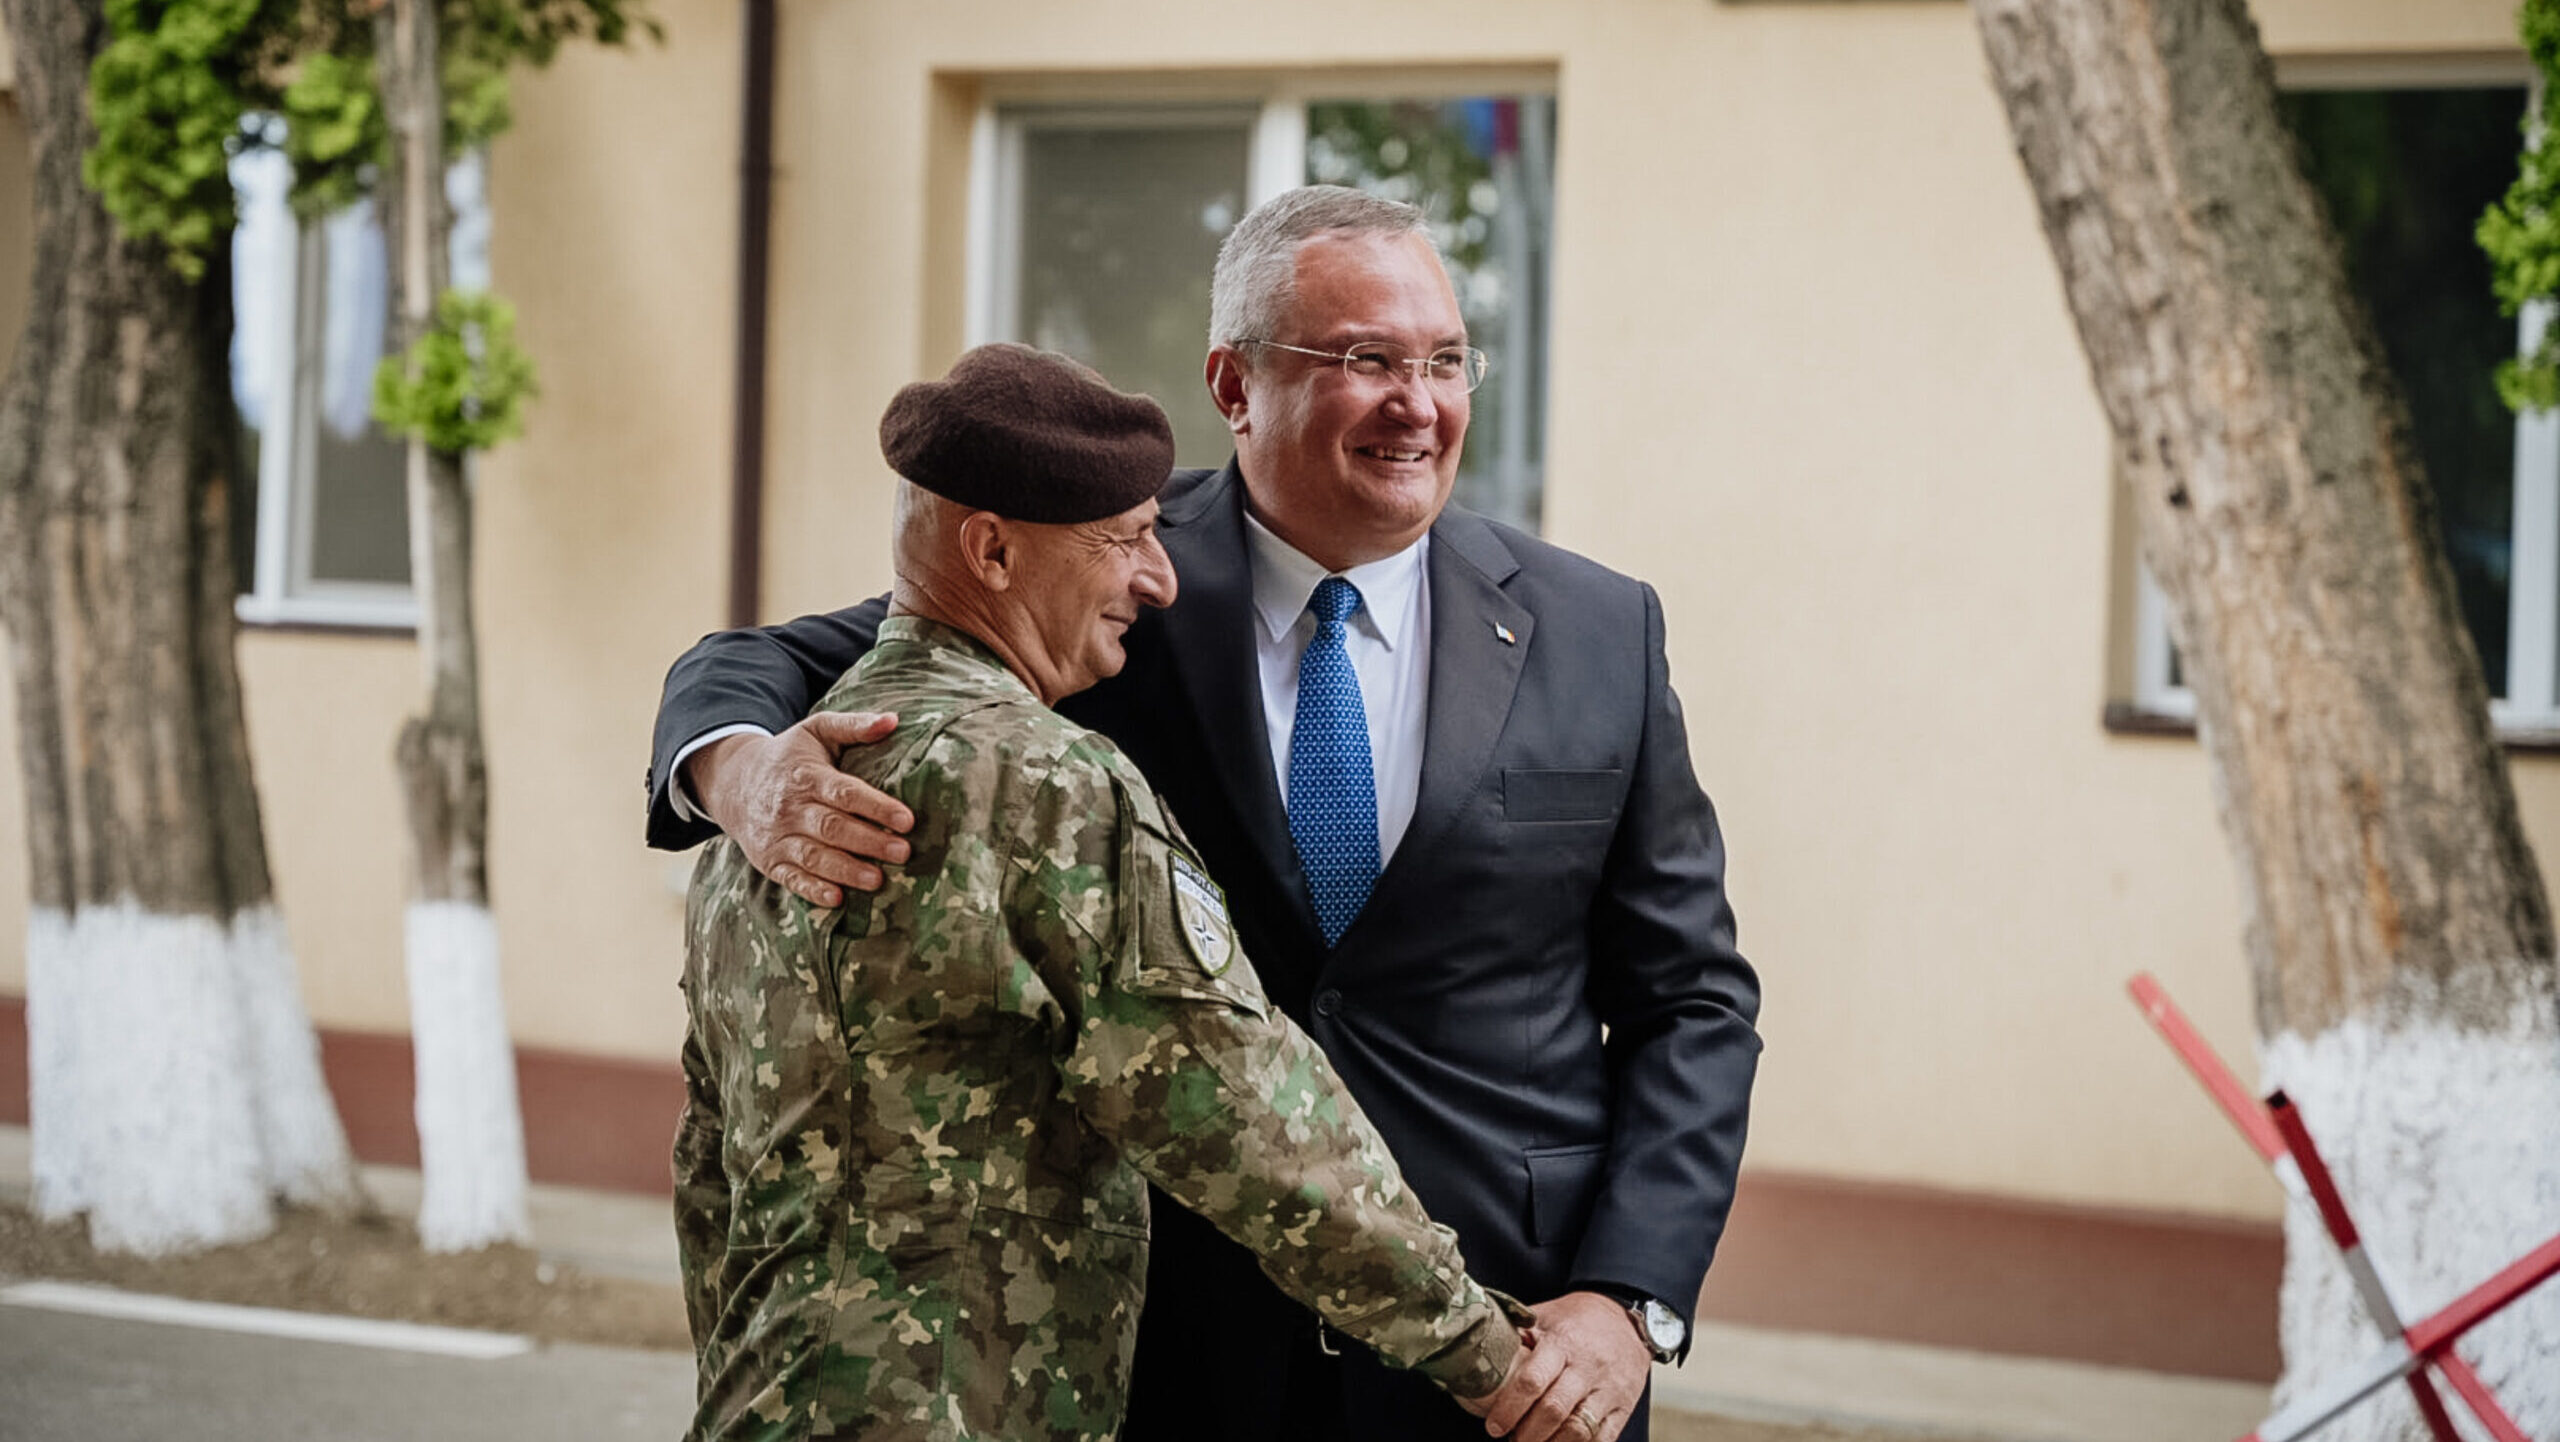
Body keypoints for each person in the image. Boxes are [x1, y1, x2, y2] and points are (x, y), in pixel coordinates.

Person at [649, 186, 1760, 1442]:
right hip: (1165, 1350)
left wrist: (1629, 1297)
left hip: (1516, 1349)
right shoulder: (1101, 560)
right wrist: (734, 772)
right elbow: (787, 656)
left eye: (1445, 359)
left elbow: (1693, 999)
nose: (1420, 401)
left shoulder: (1601, 630)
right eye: (1366, 360)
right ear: (1235, 386)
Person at [676, 342, 1532, 1442]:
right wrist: (1485, 1352)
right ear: (990, 550)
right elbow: (1243, 1108)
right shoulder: (1044, 780)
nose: (1158, 578)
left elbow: (710, 1174)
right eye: (1124, 540)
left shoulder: (764, 807)